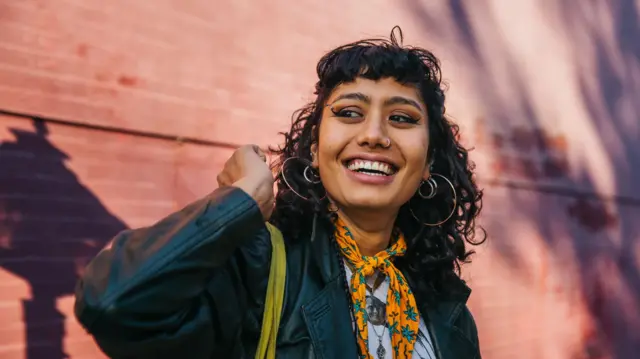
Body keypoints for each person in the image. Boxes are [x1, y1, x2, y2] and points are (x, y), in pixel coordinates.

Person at [74, 26, 485, 359]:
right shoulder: (259, 266)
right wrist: (240, 202)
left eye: (401, 117)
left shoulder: (446, 306)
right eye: (348, 113)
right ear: (314, 147)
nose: (374, 135)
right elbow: (115, 304)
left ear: (429, 161)